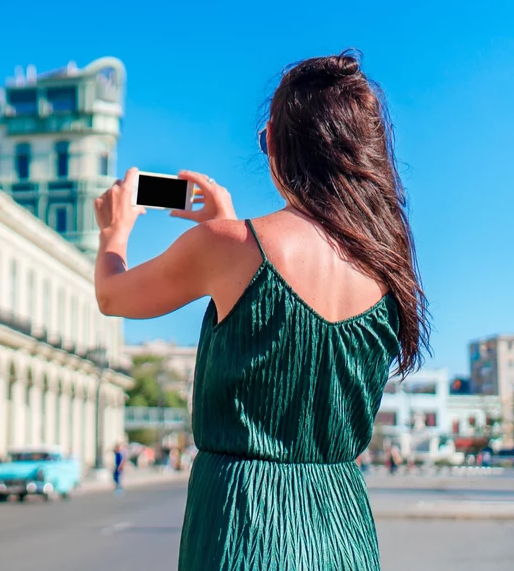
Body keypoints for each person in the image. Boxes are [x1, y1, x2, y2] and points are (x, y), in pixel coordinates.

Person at [92, 51, 428, 570]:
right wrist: (226, 227)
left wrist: (115, 231)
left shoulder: (227, 247)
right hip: (344, 527)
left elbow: (113, 296)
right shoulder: (388, 265)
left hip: (242, 524)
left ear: (277, 145)